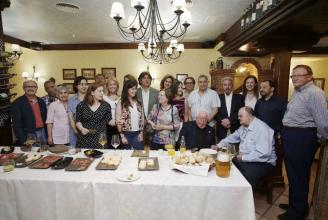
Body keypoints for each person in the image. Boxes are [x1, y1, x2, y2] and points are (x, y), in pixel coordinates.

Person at [278, 65, 328, 220]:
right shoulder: (299, 91)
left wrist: (319, 140)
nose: (295, 78)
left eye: (299, 75)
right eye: (293, 76)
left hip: (301, 138)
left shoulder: (315, 93)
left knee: (299, 175)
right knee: (294, 174)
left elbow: (323, 123)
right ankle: (297, 204)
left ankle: (297, 213)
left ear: (309, 77)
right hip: (292, 136)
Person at [215, 107, 276, 190]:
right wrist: (219, 145)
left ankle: (243, 199)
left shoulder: (262, 129)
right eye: (238, 116)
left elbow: (263, 154)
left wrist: (243, 157)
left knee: (242, 178)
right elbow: (232, 137)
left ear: (250, 116)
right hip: (246, 159)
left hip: (263, 163)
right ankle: (227, 192)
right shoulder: (243, 127)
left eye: (241, 116)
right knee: (225, 166)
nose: (238, 118)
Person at [75, 83, 112, 149]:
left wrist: (117, 121)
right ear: (92, 93)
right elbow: (78, 121)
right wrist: (81, 129)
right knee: (84, 158)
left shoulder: (106, 105)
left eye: (103, 91)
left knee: (101, 158)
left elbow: (109, 120)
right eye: (99, 91)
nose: (102, 93)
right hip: (84, 139)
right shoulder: (81, 105)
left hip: (100, 139)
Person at [11, 80, 47, 145]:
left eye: (33, 86)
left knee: (43, 153)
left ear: (36, 88)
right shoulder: (17, 103)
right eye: (28, 86)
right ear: (23, 88)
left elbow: (45, 119)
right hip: (28, 135)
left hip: (42, 132)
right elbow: (17, 124)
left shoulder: (41, 101)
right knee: (31, 154)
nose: (31, 88)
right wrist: (22, 140)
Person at [116, 80, 144, 150]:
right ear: (126, 89)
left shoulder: (139, 102)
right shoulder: (121, 103)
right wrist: (122, 136)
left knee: (139, 155)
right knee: (126, 156)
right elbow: (118, 121)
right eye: (132, 89)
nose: (134, 91)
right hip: (126, 134)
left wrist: (141, 132)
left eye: (135, 89)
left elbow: (142, 118)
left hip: (137, 134)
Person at [216, 77, 245, 141]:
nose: (227, 87)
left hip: (235, 128)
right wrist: (222, 121)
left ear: (232, 86)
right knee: (221, 149)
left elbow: (240, 112)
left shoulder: (240, 98)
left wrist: (229, 120)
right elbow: (216, 113)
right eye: (225, 85)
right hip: (221, 129)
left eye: (229, 84)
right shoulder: (217, 97)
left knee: (235, 149)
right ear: (222, 86)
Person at [136, 71, 159, 145]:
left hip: (152, 125)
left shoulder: (156, 92)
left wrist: (148, 120)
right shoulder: (135, 92)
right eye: (144, 78)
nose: (147, 80)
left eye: (149, 78)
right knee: (139, 147)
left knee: (151, 148)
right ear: (140, 80)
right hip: (138, 124)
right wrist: (143, 120)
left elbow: (158, 108)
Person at [68, 76, 88, 146]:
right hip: (75, 131)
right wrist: (75, 131)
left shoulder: (92, 98)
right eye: (81, 84)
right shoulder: (71, 100)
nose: (84, 86)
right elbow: (71, 118)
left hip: (88, 130)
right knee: (75, 152)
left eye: (86, 84)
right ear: (76, 86)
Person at [103, 77, 120, 146]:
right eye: (110, 84)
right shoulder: (104, 98)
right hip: (107, 127)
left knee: (119, 146)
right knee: (108, 147)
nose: (112, 86)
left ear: (117, 86)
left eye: (114, 84)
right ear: (107, 86)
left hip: (119, 126)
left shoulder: (121, 97)